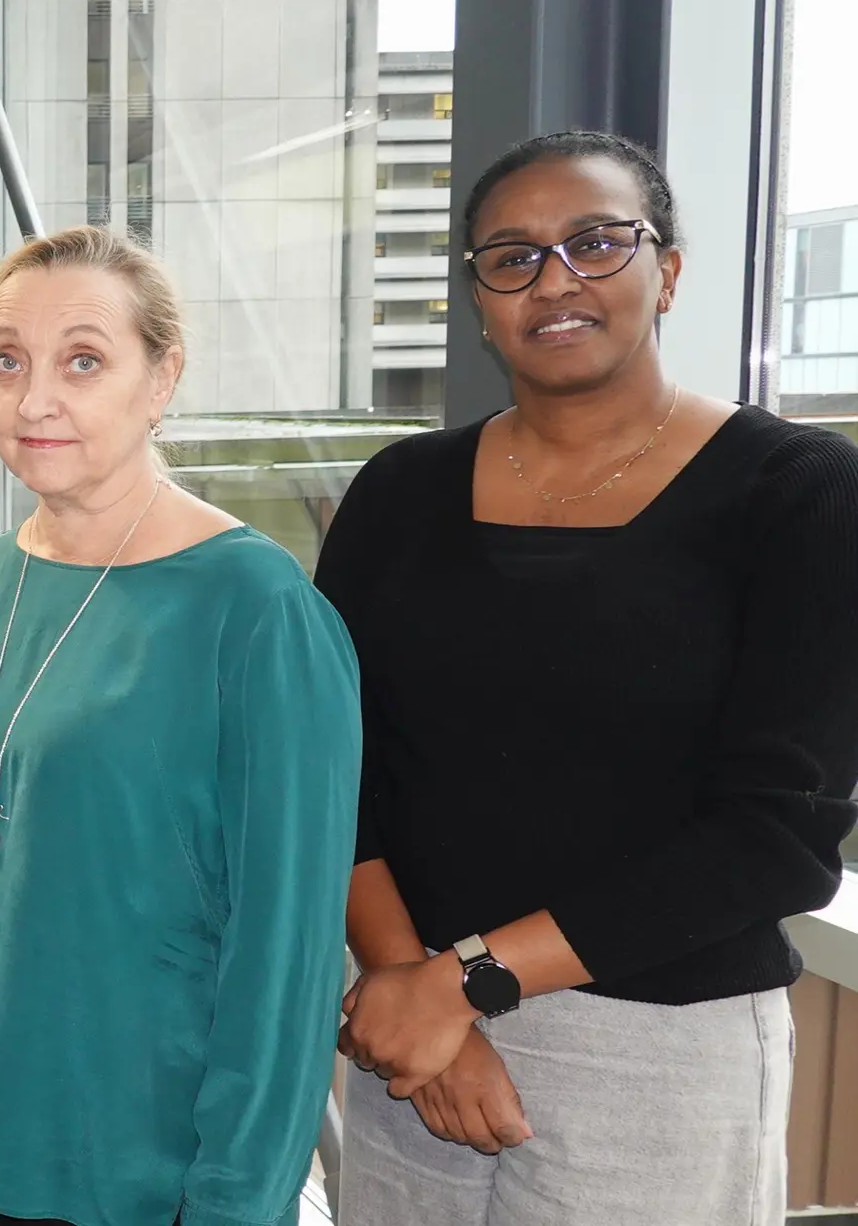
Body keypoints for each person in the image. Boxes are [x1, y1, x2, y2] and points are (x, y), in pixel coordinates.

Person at [321, 131, 858, 1225]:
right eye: (511, 256)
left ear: (667, 270)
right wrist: (416, 991)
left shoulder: (798, 492)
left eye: (596, 242)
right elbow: (334, 764)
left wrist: (467, 980)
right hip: (407, 1028)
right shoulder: (399, 492)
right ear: (480, 299)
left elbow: (777, 831)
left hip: (652, 1048)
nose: (554, 279)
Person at [0, 226, 361, 1226]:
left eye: (82, 361)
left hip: (146, 1165)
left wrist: (237, 1199)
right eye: (7, 360)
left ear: (161, 377)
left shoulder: (253, 607)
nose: (34, 398)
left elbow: (286, 949)